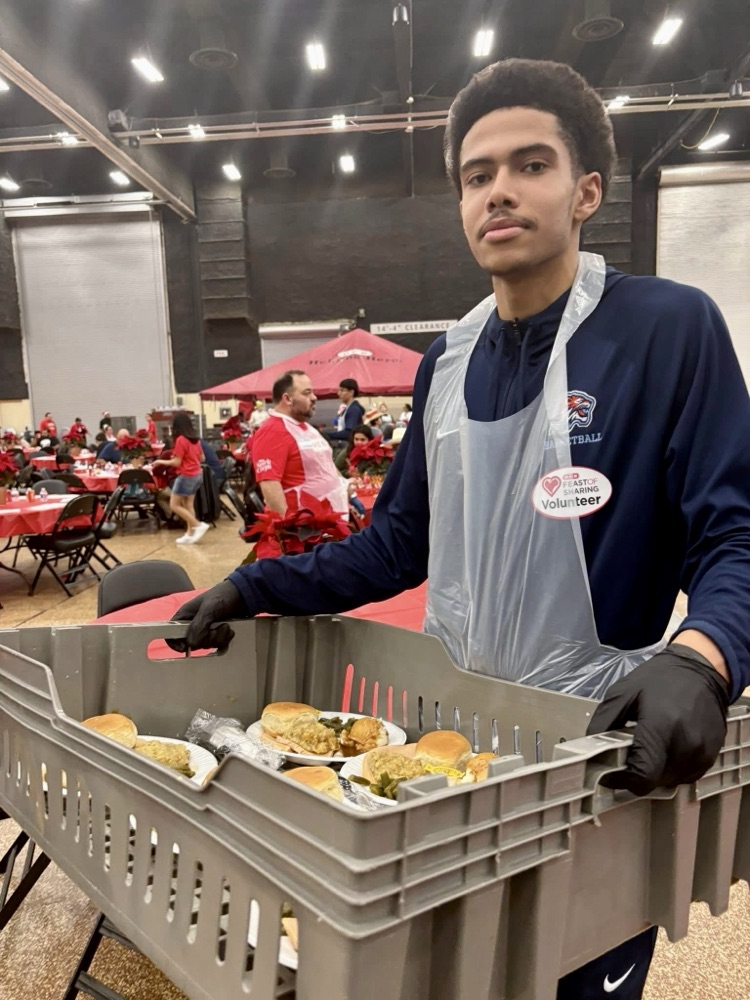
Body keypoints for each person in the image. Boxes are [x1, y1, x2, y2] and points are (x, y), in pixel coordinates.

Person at [169, 59, 750, 998]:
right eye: (478, 175)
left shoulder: (666, 330)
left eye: (531, 165)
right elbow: (396, 545)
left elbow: (737, 533)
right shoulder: (448, 361)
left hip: (596, 757)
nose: (499, 191)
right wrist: (252, 585)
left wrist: (704, 658)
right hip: (455, 757)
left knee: (573, 973)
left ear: (587, 191)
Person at [247, 369, 348, 517]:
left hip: (332, 519)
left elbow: (327, 464)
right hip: (305, 524)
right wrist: (288, 525)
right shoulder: (272, 432)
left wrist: (347, 492)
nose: (314, 397)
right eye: (307, 393)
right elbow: (270, 486)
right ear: (287, 399)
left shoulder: (306, 428)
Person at [152, 413, 209, 543]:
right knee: (188, 504)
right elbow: (202, 458)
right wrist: (188, 457)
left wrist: (161, 461)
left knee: (174, 505)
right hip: (197, 475)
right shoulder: (195, 440)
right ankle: (189, 534)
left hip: (186, 476)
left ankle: (198, 525)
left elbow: (176, 463)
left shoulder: (181, 440)